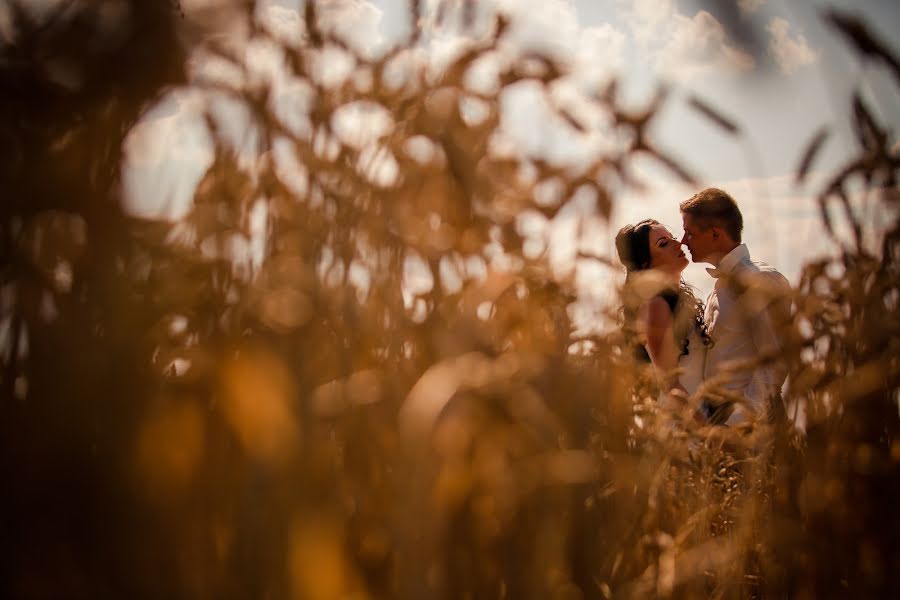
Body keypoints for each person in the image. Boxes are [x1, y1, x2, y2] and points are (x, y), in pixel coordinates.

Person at [680, 188, 791, 426]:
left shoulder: (759, 280)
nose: (683, 241)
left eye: (689, 233)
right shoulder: (720, 286)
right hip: (720, 422)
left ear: (715, 234)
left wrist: (736, 424)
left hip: (752, 428)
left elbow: (774, 363)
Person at [615, 219, 710, 416]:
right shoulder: (655, 306)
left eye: (672, 238)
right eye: (664, 243)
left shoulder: (677, 303)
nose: (678, 244)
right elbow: (671, 386)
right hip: (685, 428)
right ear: (645, 263)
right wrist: (708, 435)